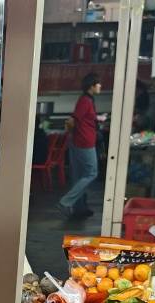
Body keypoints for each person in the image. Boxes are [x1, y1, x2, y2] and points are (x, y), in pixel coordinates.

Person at [59, 73, 102, 221]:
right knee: (92, 173)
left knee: (78, 176)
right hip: (84, 142)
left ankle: (79, 208)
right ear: (91, 86)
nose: (100, 86)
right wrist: (71, 134)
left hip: (80, 141)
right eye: (98, 83)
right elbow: (73, 120)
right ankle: (66, 201)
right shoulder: (85, 101)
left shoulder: (88, 100)